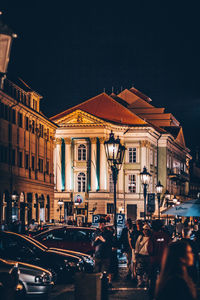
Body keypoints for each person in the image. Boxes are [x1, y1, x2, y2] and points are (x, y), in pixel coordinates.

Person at [148, 219, 171, 299]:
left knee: (153, 278)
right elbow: (170, 247)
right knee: (164, 277)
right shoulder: (166, 236)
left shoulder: (152, 236)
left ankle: (152, 293)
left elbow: (150, 250)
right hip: (164, 261)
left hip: (154, 260)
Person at [92, 218, 113, 286]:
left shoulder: (108, 233)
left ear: (105, 224)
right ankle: (97, 285)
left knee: (104, 272)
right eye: (100, 224)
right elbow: (93, 244)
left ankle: (104, 285)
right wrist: (96, 240)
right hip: (97, 255)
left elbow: (110, 243)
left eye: (102, 223)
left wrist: (104, 240)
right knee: (96, 271)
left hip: (105, 255)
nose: (101, 225)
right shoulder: (96, 233)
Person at [135, 223, 151, 288]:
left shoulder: (151, 238)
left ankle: (146, 282)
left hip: (148, 256)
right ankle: (140, 282)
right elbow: (137, 245)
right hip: (141, 255)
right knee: (139, 270)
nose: (145, 231)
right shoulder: (140, 237)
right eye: (144, 230)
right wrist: (136, 253)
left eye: (146, 230)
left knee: (147, 270)